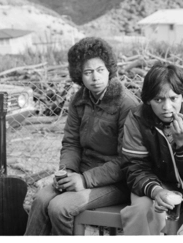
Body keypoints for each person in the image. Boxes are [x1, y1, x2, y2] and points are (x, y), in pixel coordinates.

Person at [24, 37, 139, 235]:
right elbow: (71, 143)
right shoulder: (79, 100)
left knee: (59, 207)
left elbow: (127, 160)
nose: (95, 77)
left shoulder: (126, 104)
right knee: (41, 199)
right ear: (80, 76)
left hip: (116, 182)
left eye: (100, 70)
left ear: (109, 69)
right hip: (81, 173)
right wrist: (67, 171)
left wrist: (84, 180)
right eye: (88, 72)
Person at [120, 62, 183, 235]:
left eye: (173, 98)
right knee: (141, 210)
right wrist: (156, 190)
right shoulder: (137, 119)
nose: (167, 107)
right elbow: (134, 167)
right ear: (148, 100)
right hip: (155, 180)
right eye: (158, 99)